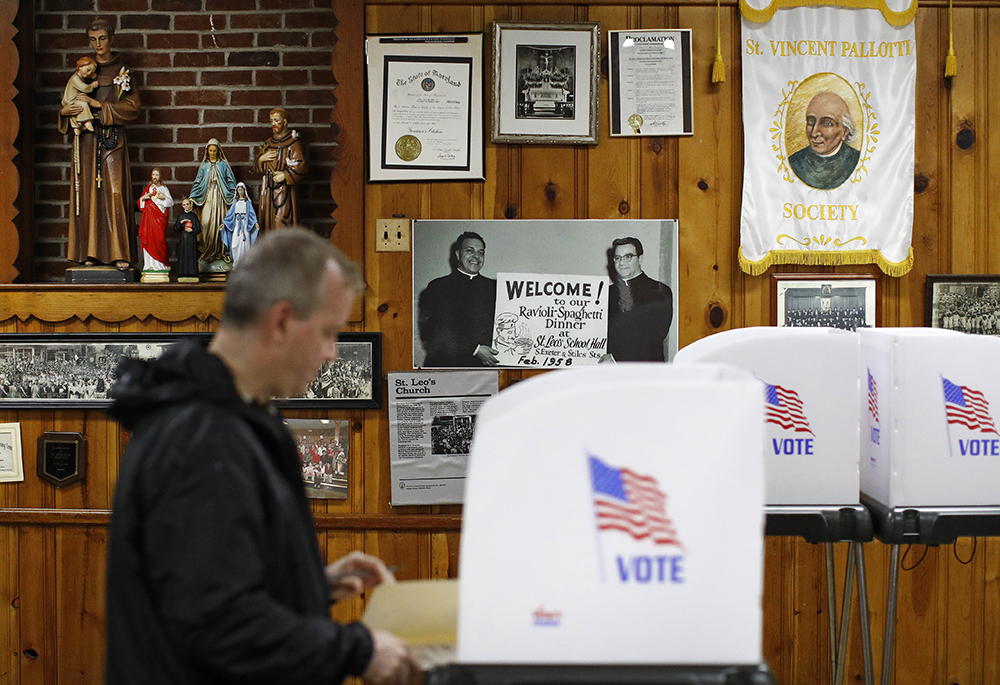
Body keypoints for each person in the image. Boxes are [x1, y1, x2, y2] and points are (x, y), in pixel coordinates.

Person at [105, 229, 420, 685]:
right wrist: (358, 650)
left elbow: (208, 578)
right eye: (329, 332)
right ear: (280, 322)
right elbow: (217, 622)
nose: (332, 354)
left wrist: (307, 584)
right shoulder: (201, 437)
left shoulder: (227, 418)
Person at [58, 18, 141, 269]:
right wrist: (63, 113)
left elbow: (133, 107)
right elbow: (68, 100)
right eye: (93, 40)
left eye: (102, 38)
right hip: (85, 140)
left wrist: (100, 106)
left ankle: (120, 253)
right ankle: (89, 253)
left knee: (114, 192)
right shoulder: (83, 70)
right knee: (88, 195)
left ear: (111, 38)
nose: (98, 44)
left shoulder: (122, 71)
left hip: (111, 140)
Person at [417, 231, 498, 367]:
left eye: (481, 252)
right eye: (470, 251)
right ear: (457, 254)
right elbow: (436, 331)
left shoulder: (494, 287)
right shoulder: (438, 286)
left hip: (486, 367)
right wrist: (475, 349)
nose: (476, 257)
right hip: (447, 364)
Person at [606, 237, 673, 362]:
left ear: (640, 259)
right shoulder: (606, 293)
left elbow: (654, 336)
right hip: (609, 373)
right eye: (617, 258)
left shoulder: (659, 291)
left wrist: (615, 359)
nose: (621, 263)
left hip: (646, 371)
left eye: (628, 257)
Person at [788, 91, 861, 191]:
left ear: (844, 132)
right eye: (811, 122)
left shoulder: (858, 162)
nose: (814, 133)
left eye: (827, 124)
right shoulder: (793, 163)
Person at [253, 107, 308, 232]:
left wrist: (285, 175)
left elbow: (301, 165)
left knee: (281, 220)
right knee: (268, 222)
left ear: (285, 121)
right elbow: (257, 168)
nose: (273, 124)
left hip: (284, 189)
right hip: (268, 189)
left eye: (276, 120)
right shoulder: (268, 143)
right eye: (271, 121)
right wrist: (261, 159)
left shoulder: (293, 143)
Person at [189, 138, 237, 265]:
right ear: (207, 151)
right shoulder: (204, 166)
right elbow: (198, 181)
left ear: (218, 151)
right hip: (208, 197)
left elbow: (231, 181)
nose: (212, 153)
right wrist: (193, 196)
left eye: (214, 151)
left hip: (220, 198)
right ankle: (207, 252)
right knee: (205, 222)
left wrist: (233, 194)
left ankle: (221, 253)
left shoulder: (223, 165)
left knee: (220, 224)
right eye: (210, 150)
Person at [136, 168, 173, 274]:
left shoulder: (164, 188)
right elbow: (140, 202)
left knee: (160, 239)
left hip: (159, 219)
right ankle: (149, 265)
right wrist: (145, 197)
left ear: (160, 176)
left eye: (157, 175)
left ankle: (161, 264)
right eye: (153, 175)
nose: (155, 177)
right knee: (148, 239)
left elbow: (170, 202)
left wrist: (163, 197)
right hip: (148, 220)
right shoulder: (149, 188)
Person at [220, 182, 259, 266]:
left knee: (245, 243)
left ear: (244, 191)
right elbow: (230, 214)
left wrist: (255, 223)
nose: (240, 191)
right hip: (237, 224)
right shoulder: (235, 202)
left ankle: (245, 263)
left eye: (241, 190)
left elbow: (252, 214)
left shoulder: (247, 202)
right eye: (239, 190)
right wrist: (224, 223)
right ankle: (236, 263)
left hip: (245, 224)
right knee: (234, 244)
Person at [62, 56, 98, 134]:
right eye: (88, 70)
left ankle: (76, 127)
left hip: (74, 99)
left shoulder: (80, 77)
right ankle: (87, 121)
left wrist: (92, 75)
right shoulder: (75, 78)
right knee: (83, 104)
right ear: (80, 67)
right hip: (71, 100)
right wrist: (92, 86)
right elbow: (84, 88)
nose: (89, 73)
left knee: (76, 111)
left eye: (91, 72)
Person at [173, 197, 202, 281]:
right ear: (182, 206)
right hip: (183, 239)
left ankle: (192, 272)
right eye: (184, 205)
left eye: (187, 204)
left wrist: (192, 230)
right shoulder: (181, 216)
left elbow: (198, 228)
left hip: (191, 239)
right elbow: (176, 228)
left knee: (192, 255)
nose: (186, 206)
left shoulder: (194, 216)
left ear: (190, 205)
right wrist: (181, 223)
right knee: (183, 255)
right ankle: (183, 272)